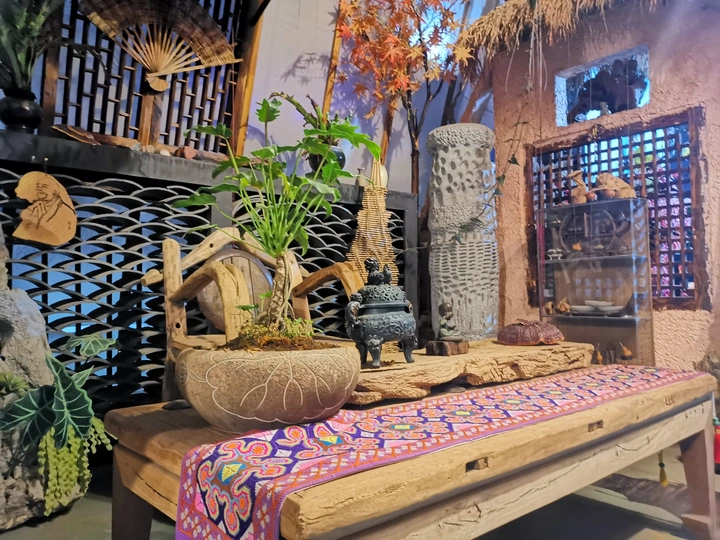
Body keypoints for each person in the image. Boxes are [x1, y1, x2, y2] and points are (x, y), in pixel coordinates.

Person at [13, 172, 76, 246]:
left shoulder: (65, 212)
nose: (40, 189)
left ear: (54, 193)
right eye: (38, 186)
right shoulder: (35, 206)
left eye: (44, 186)